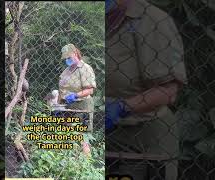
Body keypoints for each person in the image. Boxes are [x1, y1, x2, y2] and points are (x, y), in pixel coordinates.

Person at [106, 0, 187, 179]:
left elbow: (169, 90)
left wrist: (122, 107)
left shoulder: (152, 20)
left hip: (145, 141)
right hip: (106, 141)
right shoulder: (98, 20)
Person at [58, 43, 97, 156]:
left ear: (75, 53)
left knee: (83, 136)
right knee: (67, 133)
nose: (67, 60)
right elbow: (62, 89)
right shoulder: (66, 71)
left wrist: (75, 95)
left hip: (83, 105)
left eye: (69, 57)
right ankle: (70, 161)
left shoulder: (85, 68)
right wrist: (59, 103)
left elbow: (90, 90)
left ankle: (87, 165)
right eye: (65, 58)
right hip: (67, 106)